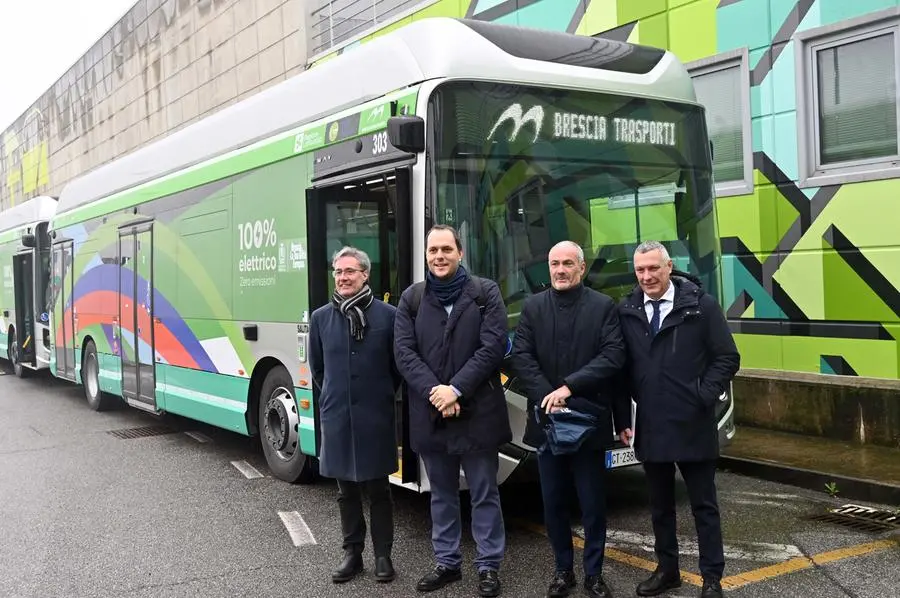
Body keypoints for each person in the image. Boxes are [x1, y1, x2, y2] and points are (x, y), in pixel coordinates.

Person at [616, 241, 740, 598]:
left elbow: (727, 357)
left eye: (653, 268)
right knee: (660, 507)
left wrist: (703, 395)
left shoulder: (701, 307)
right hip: (652, 424)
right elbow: (621, 371)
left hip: (693, 423)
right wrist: (623, 417)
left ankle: (712, 578)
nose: (647, 276)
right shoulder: (627, 310)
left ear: (669, 266)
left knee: (704, 506)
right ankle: (667, 570)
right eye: (640, 270)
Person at [393, 224, 511, 598]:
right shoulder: (411, 299)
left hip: (478, 412)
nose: (439, 256)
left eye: (446, 249)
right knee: (440, 494)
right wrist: (437, 393)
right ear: (426, 255)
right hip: (432, 413)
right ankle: (447, 563)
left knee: (483, 492)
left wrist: (456, 389)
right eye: (433, 250)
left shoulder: (485, 293)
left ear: (460, 252)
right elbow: (404, 354)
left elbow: (492, 348)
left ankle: (488, 566)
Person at [510, 240, 628, 598]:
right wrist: (549, 396)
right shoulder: (532, 307)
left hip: (588, 425)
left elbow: (613, 356)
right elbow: (522, 357)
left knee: (593, 506)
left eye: (567, 264)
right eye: (554, 264)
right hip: (548, 425)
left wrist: (568, 388)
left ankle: (594, 574)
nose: (560, 270)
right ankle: (563, 571)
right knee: (554, 503)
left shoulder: (603, 307)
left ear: (581, 268)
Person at [309, 246, 402, 585]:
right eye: (338, 272)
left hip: (376, 416)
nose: (343, 278)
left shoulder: (388, 316)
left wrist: (375, 395)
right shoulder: (320, 318)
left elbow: (397, 368)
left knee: (379, 490)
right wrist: (340, 396)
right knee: (345, 491)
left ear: (365, 274)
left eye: (349, 271)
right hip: (337, 417)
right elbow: (318, 369)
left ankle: (382, 556)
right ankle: (352, 554)